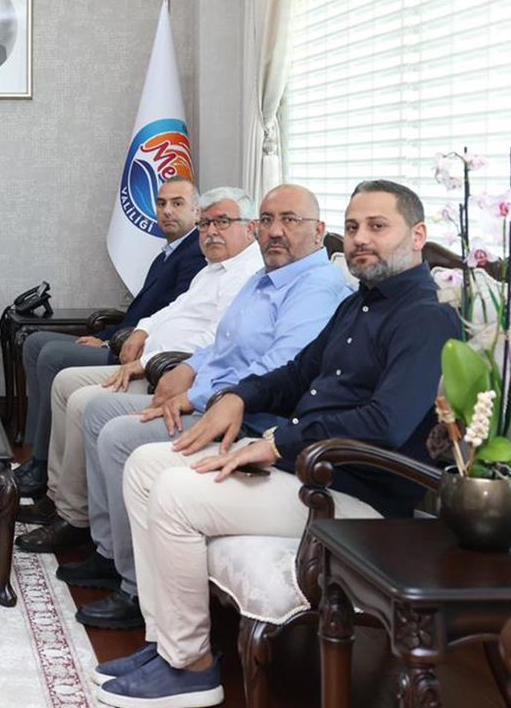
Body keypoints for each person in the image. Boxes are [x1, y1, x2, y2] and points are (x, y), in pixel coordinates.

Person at [94, 180, 462, 708]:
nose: (360, 238)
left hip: (353, 493)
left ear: (417, 235)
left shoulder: (427, 317)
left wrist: (277, 442)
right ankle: (166, 645)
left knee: (174, 494)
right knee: (147, 464)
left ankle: (191, 669)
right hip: (303, 468)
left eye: (377, 227)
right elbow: (296, 372)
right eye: (353, 227)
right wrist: (238, 396)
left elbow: (385, 422)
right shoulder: (358, 305)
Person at [66, 184, 351, 630]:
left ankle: (134, 587)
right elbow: (220, 343)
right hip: (209, 393)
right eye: (268, 221)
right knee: (101, 413)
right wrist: (188, 368)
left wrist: (194, 396)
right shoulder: (265, 277)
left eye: (290, 220)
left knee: (120, 436)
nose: (275, 231)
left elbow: (279, 369)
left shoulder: (316, 287)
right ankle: (110, 553)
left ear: (320, 231)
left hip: (245, 419)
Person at [15, 187, 262, 552]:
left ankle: (74, 518)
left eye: (222, 222)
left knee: (79, 397)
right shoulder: (213, 268)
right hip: (145, 357)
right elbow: (172, 309)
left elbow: (214, 339)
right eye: (207, 223)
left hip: (168, 374)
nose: (211, 231)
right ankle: (57, 498)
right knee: (65, 382)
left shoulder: (248, 274)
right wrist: (142, 329)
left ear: (251, 228)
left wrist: (144, 361)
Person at [14, 177, 206, 498]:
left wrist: (108, 341)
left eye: (177, 204)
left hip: (141, 355)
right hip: (124, 339)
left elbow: (172, 320)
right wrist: (104, 335)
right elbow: (141, 314)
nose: (167, 211)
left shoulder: (196, 255)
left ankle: (42, 464)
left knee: (51, 355)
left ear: (197, 212)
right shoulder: (168, 253)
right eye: (161, 204)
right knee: (34, 343)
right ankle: (38, 450)